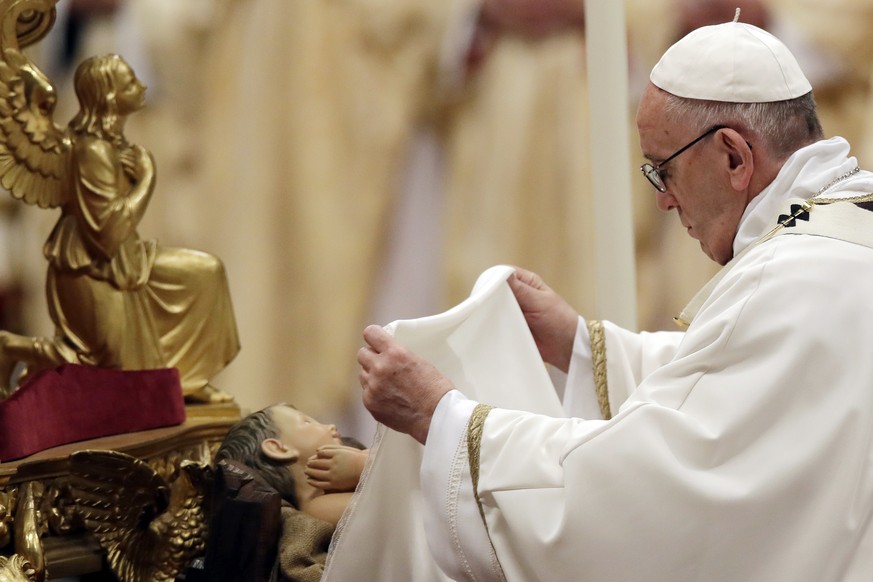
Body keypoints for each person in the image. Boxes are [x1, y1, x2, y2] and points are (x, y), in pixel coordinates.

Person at [357, 15, 873, 581]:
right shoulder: (838, 237)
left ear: (733, 157)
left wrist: (443, 417)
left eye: (663, 170)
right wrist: (581, 344)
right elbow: (737, 392)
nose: (664, 202)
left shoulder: (785, 278)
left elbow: (645, 498)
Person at [0, 53, 240, 402]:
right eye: (130, 81)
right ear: (110, 97)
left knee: (206, 273)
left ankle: (187, 379)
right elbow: (107, 234)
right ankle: (15, 347)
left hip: (121, 263)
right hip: (90, 272)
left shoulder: (110, 142)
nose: (140, 85)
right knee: (113, 371)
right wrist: (147, 180)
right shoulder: (92, 152)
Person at [211, 404, 367, 581]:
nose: (330, 426)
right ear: (278, 448)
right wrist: (362, 464)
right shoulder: (318, 508)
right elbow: (394, 500)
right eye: (307, 422)